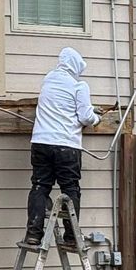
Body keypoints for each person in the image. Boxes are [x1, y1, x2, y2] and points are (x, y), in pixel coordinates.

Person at [25, 48, 102, 247]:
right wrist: (95, 117)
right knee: (70, 189)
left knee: (40, 186)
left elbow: (61, 103)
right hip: (66, 146)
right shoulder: (80, 86)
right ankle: (71, 236)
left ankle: (33, 234)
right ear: (76, 67)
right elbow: (85, 117)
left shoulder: (49, 80)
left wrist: (88, 108)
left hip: (41, 142)